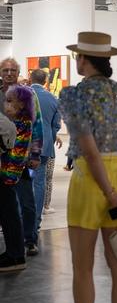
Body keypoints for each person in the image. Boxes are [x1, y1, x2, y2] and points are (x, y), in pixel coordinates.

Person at [59, 32, 117, 303]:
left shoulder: (74, 96)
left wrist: (109, 194)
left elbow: (90, 151)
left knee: (82, 269)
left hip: (88, 183)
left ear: (83, 59)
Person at [0, 58, 43, 257]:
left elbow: (37, 123)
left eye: (12, 70)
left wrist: (35, 153)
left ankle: (30, 239)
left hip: (22, 154)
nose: (9, 73)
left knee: (26, 200)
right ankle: (13, 240)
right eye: (5, 70)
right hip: (2, 155)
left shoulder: (28, 94)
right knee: (6, 201)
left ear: (18, 72)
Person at [29, 68, 61, 253]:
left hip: (23, 145)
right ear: (46, 81)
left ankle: (21, 222)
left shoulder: (23, 94)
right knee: (39, 184)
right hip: (44, 145)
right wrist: (50, 137)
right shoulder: (52, 99)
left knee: (20, 184)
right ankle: (36, 223)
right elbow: (56, 124)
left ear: (31, 78)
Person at [0, 86, 30, 272]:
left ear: (22, 105)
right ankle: (13, 253)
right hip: (7, 174)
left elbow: (16, 154)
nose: (6, 105)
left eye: (10, 101)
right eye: (6, 101)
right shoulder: (16, 122)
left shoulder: (21, 124)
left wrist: (9, 176)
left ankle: (16, 256)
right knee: (8, 214)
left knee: (10, 214)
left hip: (8, 175)